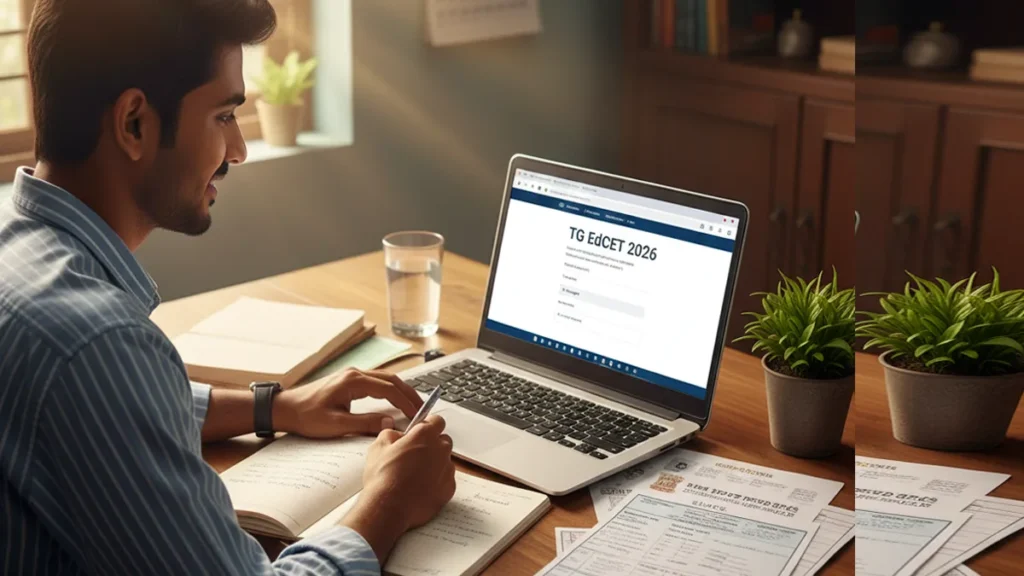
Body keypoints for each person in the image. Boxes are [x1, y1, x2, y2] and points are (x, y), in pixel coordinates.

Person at [0, 1, 456, 574]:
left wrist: (275, 406)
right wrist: (390, 499)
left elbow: (108, 409)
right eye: (223, 116)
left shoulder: (17, 256)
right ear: (134, 122)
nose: (237, 149)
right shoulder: (96, 342)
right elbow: (101, 376)